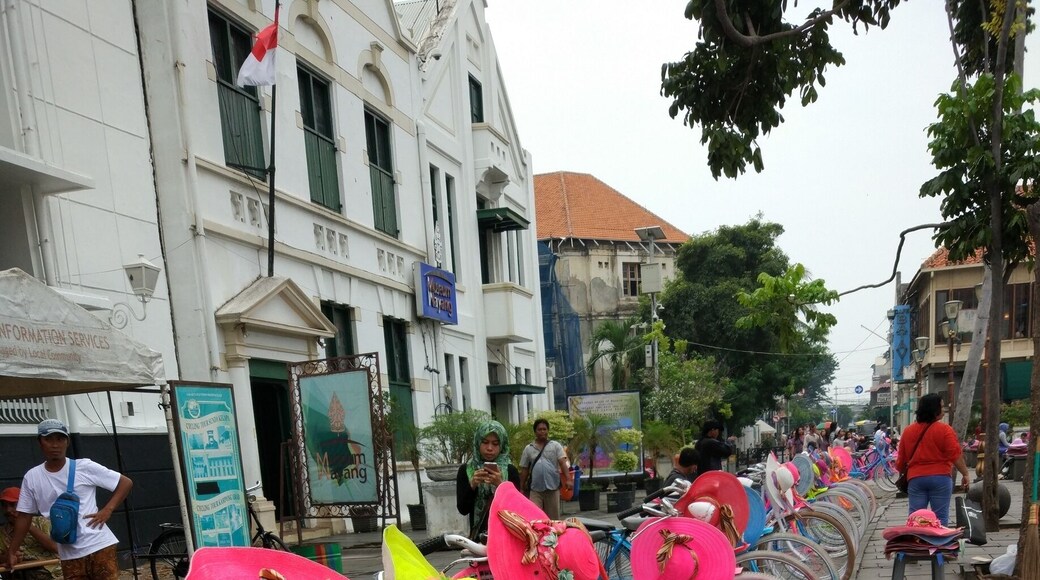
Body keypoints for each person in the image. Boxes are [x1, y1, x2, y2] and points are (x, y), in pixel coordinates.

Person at [6, 419, 132, 580]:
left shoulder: (84, 467)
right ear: (40, 442)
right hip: (68, 554)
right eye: (49, 439)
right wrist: (12, 551)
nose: (55, 445)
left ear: (67, 442)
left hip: (99, 545)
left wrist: (108, 510)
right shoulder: (32, 477)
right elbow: (24, 516)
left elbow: (125, 483)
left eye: (60, 439)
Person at [895, 394, 970, 525]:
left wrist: (903, 471)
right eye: (941, 406)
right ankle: (939, 538)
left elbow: (901, 460)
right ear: (934, 409)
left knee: (916, 518)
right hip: (940, 478)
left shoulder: (908, 431)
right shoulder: (945, 430)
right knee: (941, 518)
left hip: (916, 479)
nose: (943, 409)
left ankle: (917, 538)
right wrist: (965, 473)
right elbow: (955, 455)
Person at [456, 420, 520, 537]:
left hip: (506, 537)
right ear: (478, 442)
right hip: (478, 538)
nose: (489, 448)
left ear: (502, 445)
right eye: (485, 442)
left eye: (495, 444)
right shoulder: (466, 470)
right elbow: (463, 509)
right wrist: (472, 485)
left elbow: (518, 508)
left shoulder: (510, 470)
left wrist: (501, 485)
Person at [0, 487, 62, 579]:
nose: (8, 510)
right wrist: (7, 557)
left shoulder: (41, 522)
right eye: (4, 506)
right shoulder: (2, 532)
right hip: (24, 574)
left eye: (13, 505)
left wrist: (25, 524)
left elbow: (56, 547)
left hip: (54, 572)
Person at [519, 419, 570, 519]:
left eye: (544, 429)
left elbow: (562, 463)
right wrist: (521, 487)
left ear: (548, 431)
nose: (542, 431)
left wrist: (569, 479)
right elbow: (525, 469)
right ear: (535, 432)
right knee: (534, 518)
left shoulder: (555, 446)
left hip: (552, 488)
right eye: (539, 429)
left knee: (553, 519)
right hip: (535, 490)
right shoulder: (528, 449)